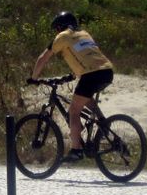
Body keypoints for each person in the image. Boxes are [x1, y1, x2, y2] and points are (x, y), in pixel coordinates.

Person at [30, 11, 114, 163]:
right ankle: (103, 122)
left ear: (60, 27)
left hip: (91, 74)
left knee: (74, 111)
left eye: (56, 29)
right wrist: (72, 75)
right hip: (107, 71)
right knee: (85, 99)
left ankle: (76, 150)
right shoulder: (84, 34)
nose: (56, 32)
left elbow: (43, 58)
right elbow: (85, 56)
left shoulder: (63, 36)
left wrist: (33, 78)